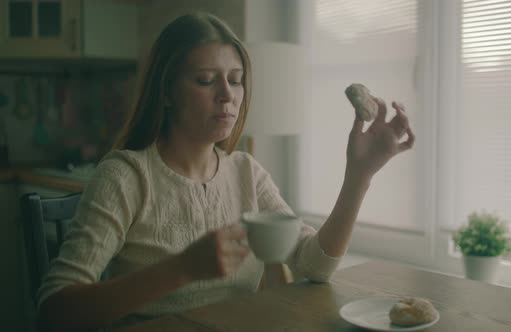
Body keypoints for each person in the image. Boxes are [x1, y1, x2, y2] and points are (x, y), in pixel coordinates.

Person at [37, 12, 415, 331]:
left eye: (235, 80)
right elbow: (54, 313)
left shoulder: (246, 173)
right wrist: (182, 269)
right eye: (205, 80)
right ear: (165, 91)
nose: (228, 95)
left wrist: (359, 175)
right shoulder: (126, 177)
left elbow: (313, 264)